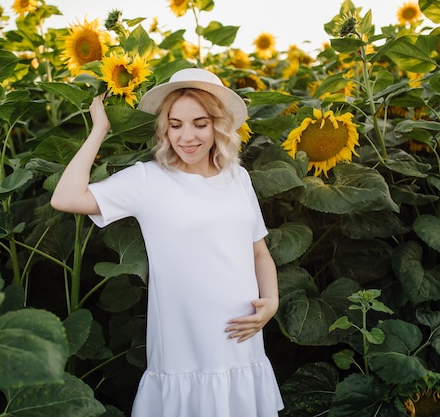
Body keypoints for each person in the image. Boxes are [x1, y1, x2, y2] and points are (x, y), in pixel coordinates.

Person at [51, 67, 284, 417]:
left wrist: (272, 302)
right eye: (176, 125)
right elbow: (66, 197)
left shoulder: (238, 178)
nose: (186, 136)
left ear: (218, 125)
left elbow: (258, 251)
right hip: (185, 344)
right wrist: (99, 129)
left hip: (242, 336)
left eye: (199, 124)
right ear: (165, 128)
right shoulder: (149, 180)